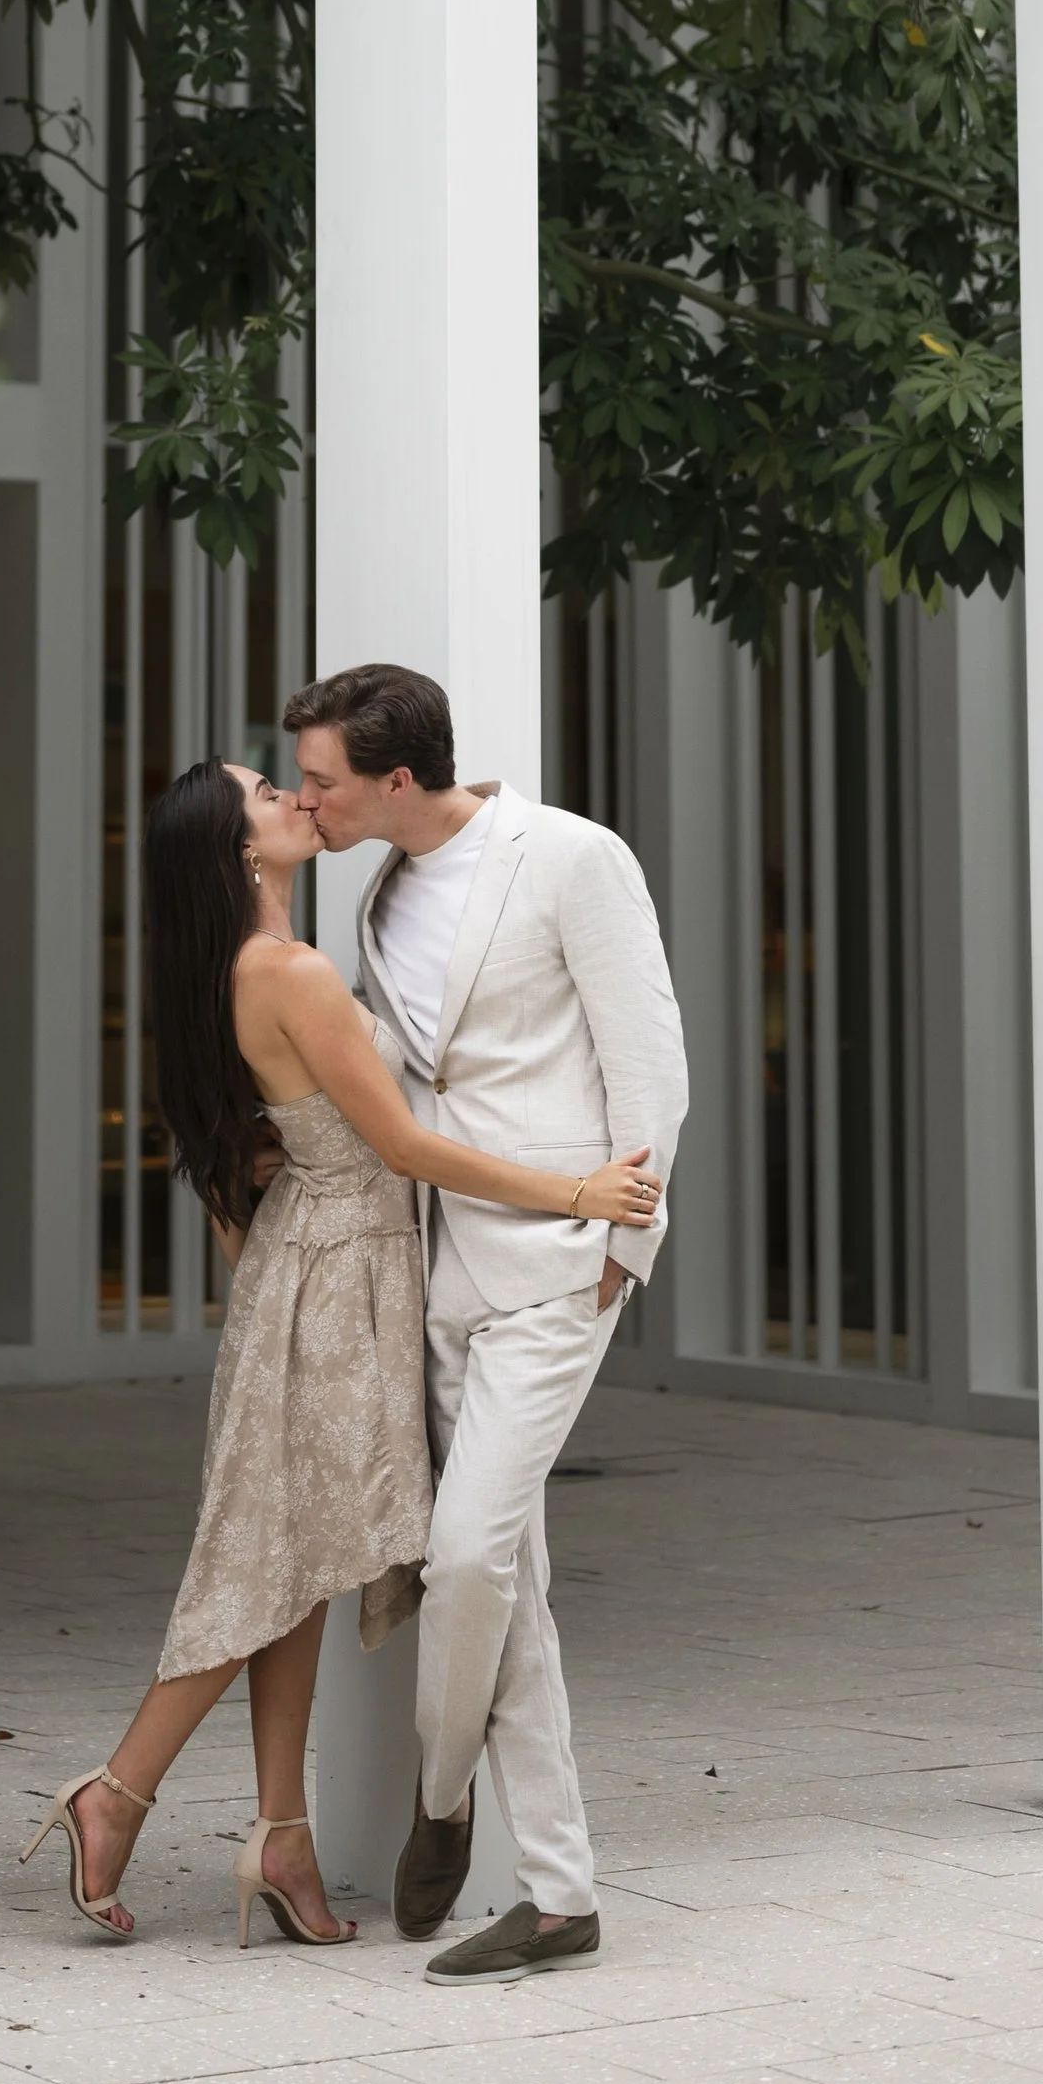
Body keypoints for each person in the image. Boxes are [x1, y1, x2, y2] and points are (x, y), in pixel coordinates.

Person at [20, 754, 660, 1952]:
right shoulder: (289, 970)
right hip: (339, 1272)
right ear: (239, 851)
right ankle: (115, 1792)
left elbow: (243, 1173)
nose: (296, 800)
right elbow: (408, 1148)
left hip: (311, 1268)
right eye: (269, 793)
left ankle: (281, 1833)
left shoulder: (241, 968)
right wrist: (576, 1188)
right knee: (261, 1565)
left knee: (291, 1560)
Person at [286, 661, 688, 1991]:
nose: (309, 799)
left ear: (396, 777)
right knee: (513, 1594)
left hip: (558, 1262)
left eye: (324, 780)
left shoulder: (571, 857)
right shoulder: (385, 885)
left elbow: (649, 1057)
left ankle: (445, 1791)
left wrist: (619, 1245)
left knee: (465, 1560)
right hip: (439, 1271)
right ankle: (562, 1898)